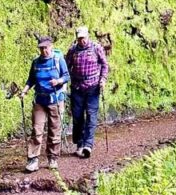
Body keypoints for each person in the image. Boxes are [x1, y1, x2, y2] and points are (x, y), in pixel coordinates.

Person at [18, 35, 69, 172]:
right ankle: (33, 159)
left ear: (51, 47)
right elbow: (31, 80)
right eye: (41, 48)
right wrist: (24, 91)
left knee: (54, 129)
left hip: (55, 100)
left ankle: (52, 157)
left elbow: (66, 76)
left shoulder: (58, 60)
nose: (43, 51)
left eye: (45, 48)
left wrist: (58, 82)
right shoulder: (36, 63)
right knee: (37, 130)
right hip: (40, 100)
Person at [66, 26, 108, 158]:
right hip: (77, 88)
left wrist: (103, 80)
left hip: (93, 87)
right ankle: (79, 143)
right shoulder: (73, 50)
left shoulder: (96, 48)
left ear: (87, 36)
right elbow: (66, 66)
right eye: (79, 38)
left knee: (91, 115)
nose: (81, 41)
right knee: (78, 117)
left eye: (83, 38)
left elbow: (105, 65)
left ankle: (88, 145)